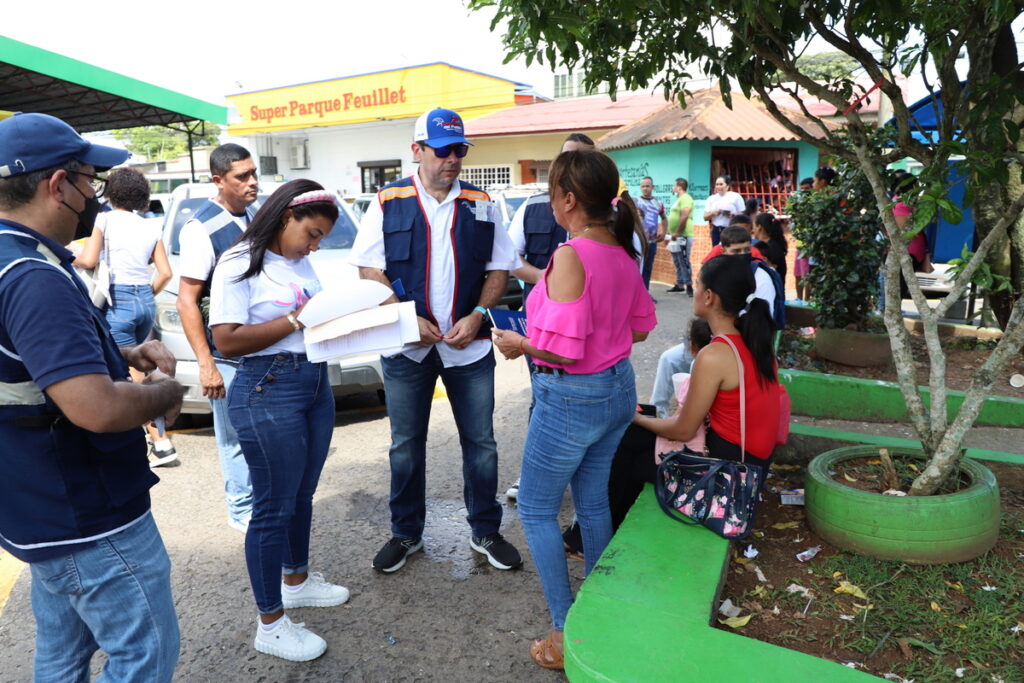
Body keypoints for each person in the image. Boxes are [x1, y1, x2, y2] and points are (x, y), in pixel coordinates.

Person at [0, 112, 185, 682]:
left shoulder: (12, 258)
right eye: (89, 182)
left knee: (61, 654)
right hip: (85, 514)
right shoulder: (32, 273)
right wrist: (166, 394)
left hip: (35, 508)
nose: (96, 198)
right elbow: (96, 408)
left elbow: (28, 361)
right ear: (58, 185)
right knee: (145, 655)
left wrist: (121, 355)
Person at [492, 149, 657, 671]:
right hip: (616, 391)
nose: (549, 202)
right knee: (591, 502)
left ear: (567, 199)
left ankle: (568, 631)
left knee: (539, 510)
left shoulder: (572, 256)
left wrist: (521, 346)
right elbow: (639, 329)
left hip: (572, 396)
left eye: (551, 193)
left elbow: (562, 350)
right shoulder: (623, 253)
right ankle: (602, 610)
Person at [350, 108, 523, 574]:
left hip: (468, 344)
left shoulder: (481, 201)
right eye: (442, 150)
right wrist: (404, 316)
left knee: (481, 442)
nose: (452, 159)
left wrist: (479, 314)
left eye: (459, 150)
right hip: (407, 347)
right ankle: (406, 533)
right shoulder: (388, 200)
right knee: (406, 444)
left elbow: (499, 267)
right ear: (417, 151)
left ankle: (485, 529)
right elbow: (369, 268)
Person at [209, 179, 348, 662]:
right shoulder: (238, 261)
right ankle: (270, 622)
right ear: (286, 216)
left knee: (301, 494)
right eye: (311, 233)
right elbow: (226, 341)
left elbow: (314, 318)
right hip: (267, 389)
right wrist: (296, 321)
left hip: (313, 382)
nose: (314, 245)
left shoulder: (299, 262)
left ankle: (297, 579)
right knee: (272, 507)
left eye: (320, 239)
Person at [504, 131, 596, 501]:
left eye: (582, 160)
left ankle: (583, 480)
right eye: (567, 159)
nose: (573, 169)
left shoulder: (610, 216)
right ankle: (534, 476)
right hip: (540, 323)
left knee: (585, 397)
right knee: (543, 395)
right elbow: (512, 260)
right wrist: (548, 279)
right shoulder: (533, 207)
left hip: (589, 327)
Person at [634, 254, 782, 477]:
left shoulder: (715, 354)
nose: (695, 291)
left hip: (728, 470)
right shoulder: (757, 343)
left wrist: (636, 418)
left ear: (709, 297)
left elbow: (683, 431)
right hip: (754, 463)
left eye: (697, 285)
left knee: (627, 443)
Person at [176, 143, 257, 533]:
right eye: (242, 176)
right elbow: (187, 301)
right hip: (226, 358)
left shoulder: (255, 215)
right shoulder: (201, 229)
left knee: (259, 434)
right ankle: (241, 511)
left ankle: (260, 503)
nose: (252, 182)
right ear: (218, 180)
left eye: (253, 173)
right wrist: (207, 367)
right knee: (235, 439)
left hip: (257, 350)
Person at [73, 167, 177, 466]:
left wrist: (67, 253)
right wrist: (143, 297)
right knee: (145, 367)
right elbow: (166, 273)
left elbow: (90, 259)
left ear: (112, 191)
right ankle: (154, 434)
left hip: (118, 300)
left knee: (127, 373)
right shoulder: (149, 225)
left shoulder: (104, 218)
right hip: (145, 298)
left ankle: (161, 444)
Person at [635, 176, 667, 291]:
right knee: (637, 267)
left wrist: (664, 233)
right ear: (640, 188)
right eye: (643, 186)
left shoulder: (657, 202)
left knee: (648, 268)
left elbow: (664, 218)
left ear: (652, 187)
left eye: (648, 186)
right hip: (638, 241)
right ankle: (637, 294)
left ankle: (645, 293)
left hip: (652, 241)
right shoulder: (636, 202)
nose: (645, 188)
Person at [665, 177, 694, 295]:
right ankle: (680, 284)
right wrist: (669, 232)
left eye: (674, 185)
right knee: (677, 260)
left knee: (684, 260)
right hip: (674, 236)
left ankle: (689, 286)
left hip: (683, 235)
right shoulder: (678, 199)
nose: (673, 187)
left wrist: (677, 232)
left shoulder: (686, 198)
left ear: (679, 187)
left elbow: (684, 216)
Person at [703, 174, 744, 246]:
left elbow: (743, 214)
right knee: (717, 252)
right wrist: (714, 213)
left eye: (721, 184)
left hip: (731, 229)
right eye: (717, 184)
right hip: (717, 230)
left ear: (727, 185)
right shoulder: (711, 198)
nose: (718, 186)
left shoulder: (735, 196)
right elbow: (705, 217)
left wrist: (733, 215)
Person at [792, 177, 815, 301]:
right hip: (800, 245)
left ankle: (806, 301)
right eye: (802, 189)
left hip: (809, 246)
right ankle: (799, 299)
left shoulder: (815, 205)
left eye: (807, 189)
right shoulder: (799, 205)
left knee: (807, 276)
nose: (804, 192)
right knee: (797, 275)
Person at [753, 211, 789, 282]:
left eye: (754, 226)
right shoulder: (776, 244)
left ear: (759, 227)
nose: (752, 230)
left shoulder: (769, 248)